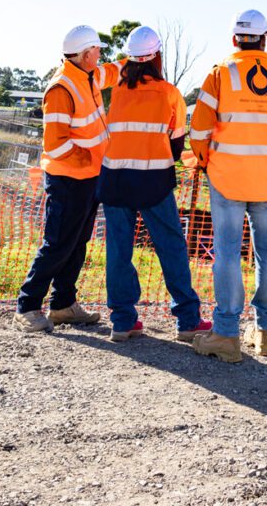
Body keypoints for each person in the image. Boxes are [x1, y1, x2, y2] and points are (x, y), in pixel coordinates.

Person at [189, 10, 267, 362]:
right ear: (265, 38)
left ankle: (225, 333)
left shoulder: (221, 75)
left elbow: (198, 131)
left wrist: (205, 161)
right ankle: (265, 332)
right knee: (266, 252)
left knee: (226, 253)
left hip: (227, 178)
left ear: (234, 38)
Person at [98, 25, 211, 343]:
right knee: (171, 246)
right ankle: (187, 320)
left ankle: (122, 320)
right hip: (153, 179)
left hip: (115, 177)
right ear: (157, 55)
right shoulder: (170, 93)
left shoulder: (117, 90)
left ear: (128, 59)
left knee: (118, 249)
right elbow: (176, 147)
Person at [14, 25, 123, 333]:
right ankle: (27, 306)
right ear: (85, 54)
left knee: (77, 243)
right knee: (58, 244)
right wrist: (87, 157)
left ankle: (63, 305)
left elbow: (113, 72)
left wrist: (140, 57)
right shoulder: (62, 88)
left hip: (89, 178)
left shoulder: (89, 76)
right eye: (97, 51)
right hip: (68, 179)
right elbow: (55, 145)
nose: (101, 55)